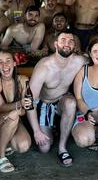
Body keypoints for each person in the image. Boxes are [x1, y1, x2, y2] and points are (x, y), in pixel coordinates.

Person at [27, 31, 86, 167]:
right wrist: (36, 131)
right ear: (55, 44)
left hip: (62, 100)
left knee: (71, 103)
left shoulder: (79, 61)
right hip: (45, 104)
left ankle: (62, 148)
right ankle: (53, 128)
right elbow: (30, 100)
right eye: (63, 40)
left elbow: (95, 63)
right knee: (44, 148)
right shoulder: (44, 66)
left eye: (70, 41)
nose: (67, 44)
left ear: (74, 46)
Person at [0, 51, 31, 172]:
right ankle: (0, 156)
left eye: (8, 61)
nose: (4, 65)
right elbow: (2, 106)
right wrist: (20, 105)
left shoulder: (23, 80)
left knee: (23, 146)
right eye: (0, 62)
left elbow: (25, 111)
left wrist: (20, 110)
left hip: (12, 121)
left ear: (14, 63)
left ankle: (4, 141)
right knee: (14, 116)